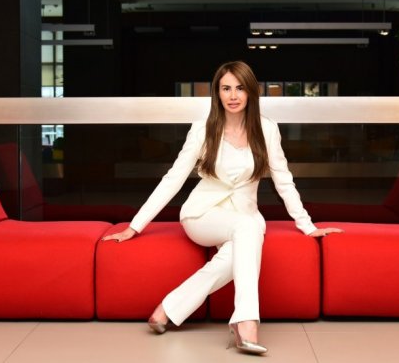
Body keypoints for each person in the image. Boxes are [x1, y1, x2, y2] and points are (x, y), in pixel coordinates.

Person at [102, 60, 343, 355]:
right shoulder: (203, 129)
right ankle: (247, 322)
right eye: (226, 88)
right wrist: (135, 226)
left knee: (242, 242)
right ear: (217, 93)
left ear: (251, 92)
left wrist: (307, 225)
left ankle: (167, 309)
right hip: (202, 215)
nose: (233, 95)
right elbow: (173, 178)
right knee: (249, 228)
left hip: (245, 216)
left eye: (240, 88)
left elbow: (283, 179)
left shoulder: (267, 129)